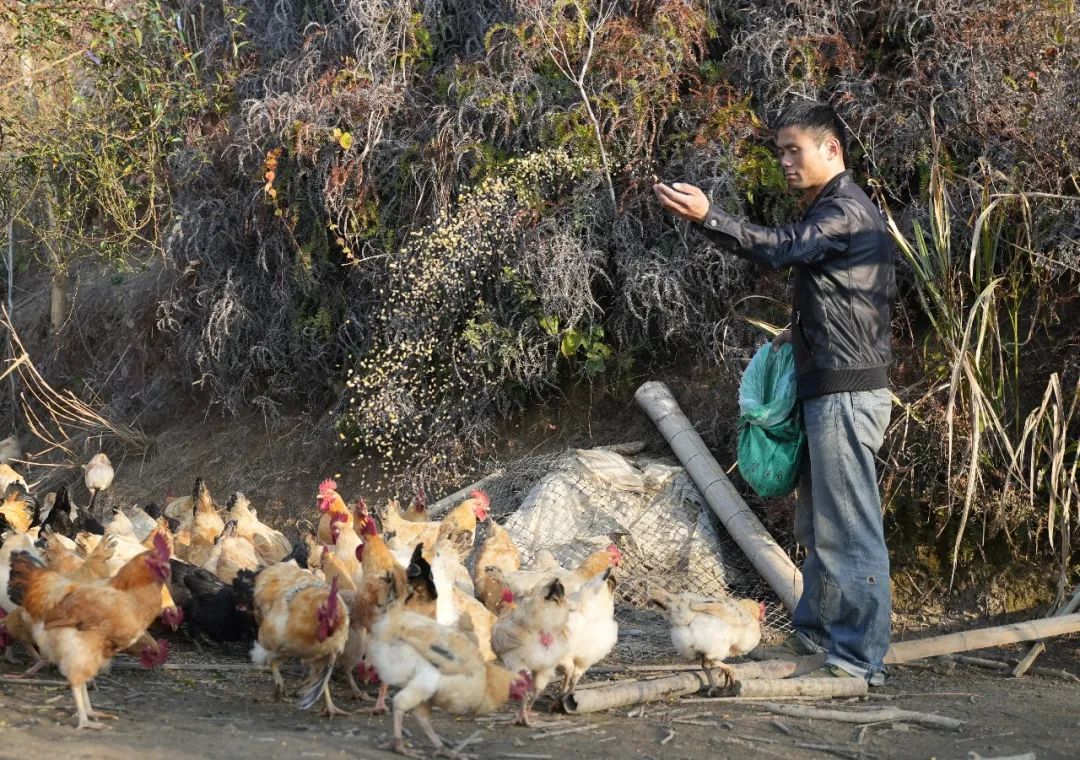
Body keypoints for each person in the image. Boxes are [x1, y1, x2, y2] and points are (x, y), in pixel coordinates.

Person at [653, 100, 895, 684]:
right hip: (828, 388)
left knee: (849, 527)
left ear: (831, 149)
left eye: (795, 150)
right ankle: (817, 637)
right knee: (816, 526)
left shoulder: (844, 211)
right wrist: (800, 332)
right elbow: (851, 296)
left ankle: (860, 660)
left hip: (845, 394)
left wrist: (712, 216)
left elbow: (785, 246)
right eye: (780, 151)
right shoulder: (838, 212)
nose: (785, 161)